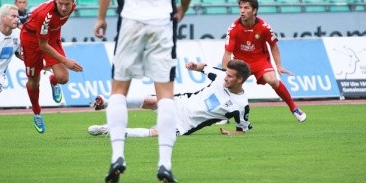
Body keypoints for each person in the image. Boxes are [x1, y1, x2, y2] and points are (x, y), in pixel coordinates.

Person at [93, 0, 195, 183]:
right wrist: (182, 9)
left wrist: (101, 17)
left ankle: (117, 156)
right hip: (162, 22)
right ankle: (164, 163)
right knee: (165, 93)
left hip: (130, 21)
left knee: (119, 90)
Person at [88, 59, 252, 138]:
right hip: (181, 102)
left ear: (240, 80)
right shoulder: (220, 76)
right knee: (152, 101)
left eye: (230, 77)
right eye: (226, 74)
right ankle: (107, 103)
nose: (225, 78)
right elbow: (204, 67)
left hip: (186, 124)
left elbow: (241, 130)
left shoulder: (241, 106)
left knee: (157, 133)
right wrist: (195, 67)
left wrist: (229, 133)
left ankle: (108, 130)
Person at [222, 0, 307, 123]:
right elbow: (227, 53)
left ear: (254, 10)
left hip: (260, 61)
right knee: (229, 85)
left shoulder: (264, 27)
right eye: (240, 7)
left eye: (246, 8)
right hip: (241, 62)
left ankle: (294, 108)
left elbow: (273, 45)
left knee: (273, 80)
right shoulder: (233, 29)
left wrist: (278, 65)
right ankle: (224, 115)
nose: (242, 11)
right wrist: (225, 72)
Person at [20, 0, 83, 134]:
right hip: (31, 41)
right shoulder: (44, 14)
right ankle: (37, 112)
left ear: (73, 1)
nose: (63, 7)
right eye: (60, 3)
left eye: (66, 4)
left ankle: (53, 81)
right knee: (34, 81)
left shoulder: (73, 5)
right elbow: (42, 45)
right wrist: (65, 60)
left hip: (52, 38)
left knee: (63, 78)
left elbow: (55, 28)